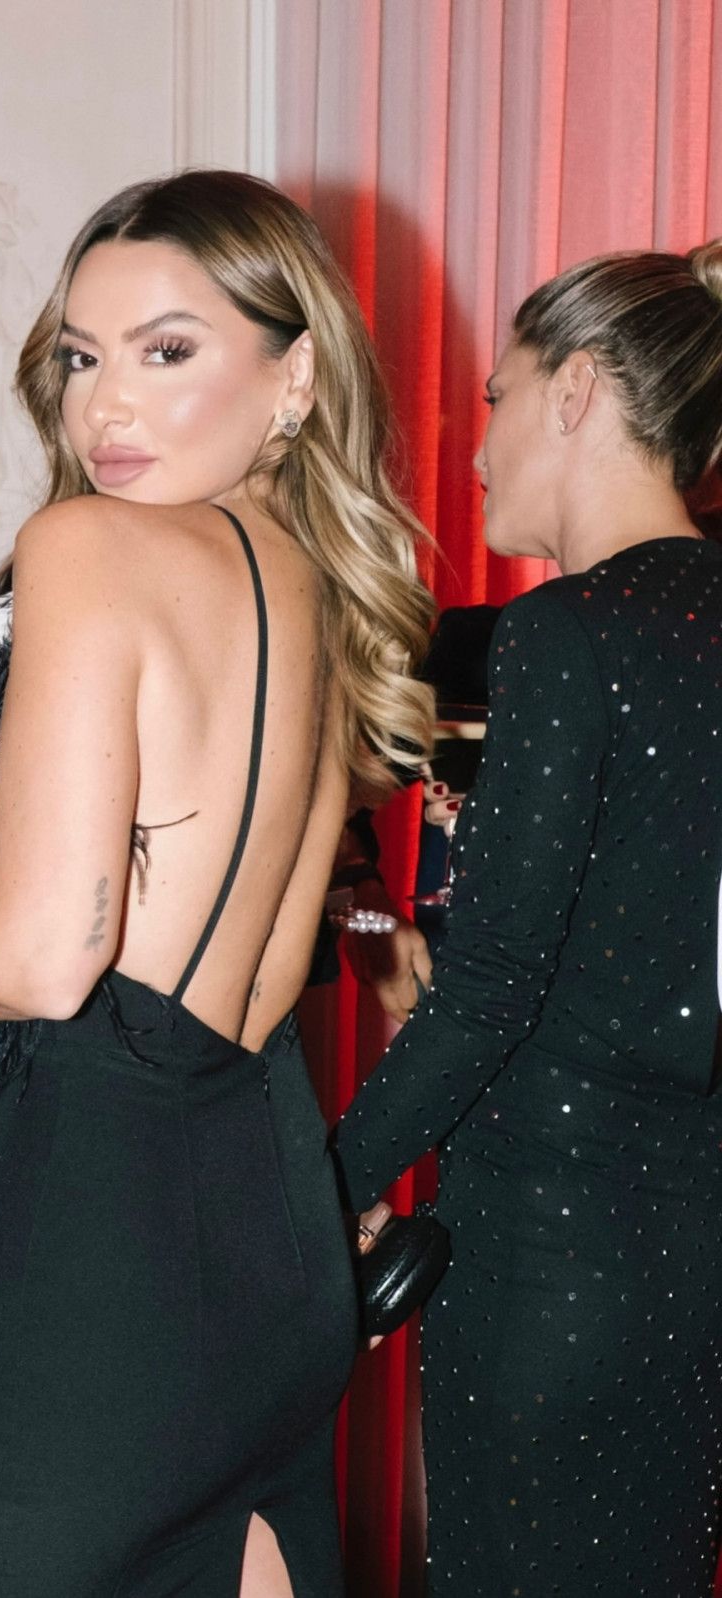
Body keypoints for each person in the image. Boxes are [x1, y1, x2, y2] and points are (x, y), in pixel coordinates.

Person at [0, 169, 435, 1597]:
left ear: (295, 376)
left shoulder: (88, 547)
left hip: (101, 1240)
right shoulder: (317, 588)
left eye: (166, 350)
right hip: (269, 1224)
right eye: (82, 357)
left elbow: (45, 959)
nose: (105, 406)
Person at [333, 244, 722, 1595]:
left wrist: (326, 1180)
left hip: (544, 1265)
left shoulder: (564, 631)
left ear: (578, 389)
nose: (477, 445)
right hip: (688, 1272)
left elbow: (492, 982)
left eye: (495, 396)